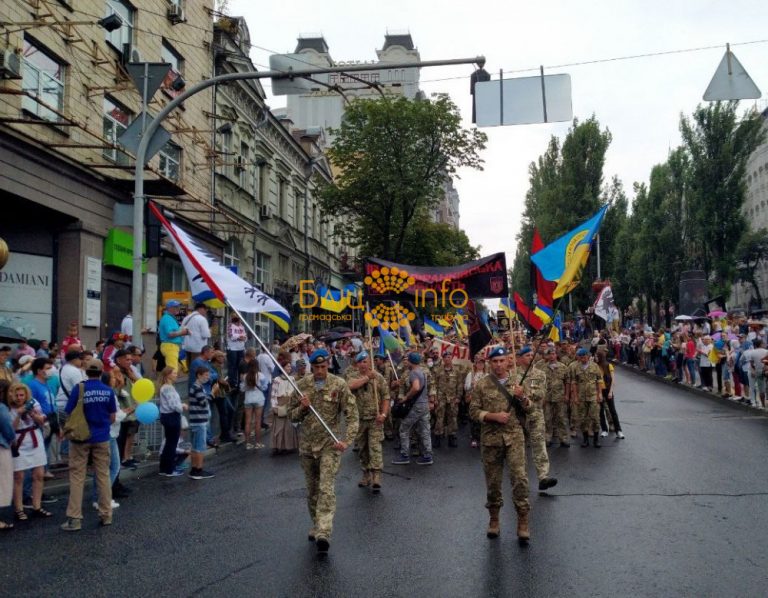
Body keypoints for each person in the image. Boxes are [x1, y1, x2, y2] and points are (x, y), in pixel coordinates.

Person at [288, 349, 358, 555]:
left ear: (328, 365)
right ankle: (316, 523)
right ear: (311, 367)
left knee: (326, 488)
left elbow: (352, 415)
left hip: (330, 444)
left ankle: (324, 532)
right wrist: (302, 407)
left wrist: (347, 440)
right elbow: (292, 417)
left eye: (324, 367)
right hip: (308, 446)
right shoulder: (301, 386)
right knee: (312, 490)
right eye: (317, 367)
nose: (320, 371)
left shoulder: (339, 384)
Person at [469, 347, 535, 543]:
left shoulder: (518, 382)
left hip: (514, 437)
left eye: (502, 360)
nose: (498, 364)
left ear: (508, 361)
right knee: (493, 482)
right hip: (491, 440)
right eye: (495, 361)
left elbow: (531, 409)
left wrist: (522, 397)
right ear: (490, 363)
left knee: (519, 479)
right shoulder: (482, 385)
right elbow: (473, 411)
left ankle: (523, 520)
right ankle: (494, 520)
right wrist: (492, 416)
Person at [60, 359, 116, 531]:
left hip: (80, 438)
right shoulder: (108, 391)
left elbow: (68, 412)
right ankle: (106, 515)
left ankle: (75, 519)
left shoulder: (80, 388)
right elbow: (112, 417)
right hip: (102, 437)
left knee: (77, 477)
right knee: (103, 476)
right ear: (101, 372)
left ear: (85, 371)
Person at [514, 346, 557, 490]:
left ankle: (543, 477)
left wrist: (523, 395)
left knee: (539, 445)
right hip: (518, 417)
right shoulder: (512, 375)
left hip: (535, 414)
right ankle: (520, 478)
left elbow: (540, 394)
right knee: (518, 449)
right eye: (527, 355)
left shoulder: (539, 374)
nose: (531, 357)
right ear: (519, 358)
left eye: (532, 355)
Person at [7, 382, 52, 521]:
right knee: (18, 477)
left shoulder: (33, 403)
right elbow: (10, 429)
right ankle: (18, 509)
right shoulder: (8, 408)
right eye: (17, 395)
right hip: (18, 441)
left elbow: (41, 421)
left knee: (38, 474)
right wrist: (18, 415)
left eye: (22, 395)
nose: (20, 398)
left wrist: (33, 414)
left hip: (34, 439)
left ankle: (37, 506)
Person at [346, 351, 388, 492]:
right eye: (361, 362)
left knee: (375, 447)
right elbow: (350, 386)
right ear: (357, 364)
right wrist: (366, 378)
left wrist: (383, 414)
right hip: (358, 419)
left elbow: (386, 397)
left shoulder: (379, 378)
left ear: (370, 363)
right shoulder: (352, 376)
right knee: (362, 449)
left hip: (374, 419)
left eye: (366, 362)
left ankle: (376, 475)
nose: (363, 364)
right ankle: (366, 474)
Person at [391, 352, 434, 466]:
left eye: (407, 360)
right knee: (425, 431)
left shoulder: (414, 373)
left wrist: (406, 397)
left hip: (416, 406)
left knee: (404, 429)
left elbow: (415, 387)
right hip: (424, 405)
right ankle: (427, 456)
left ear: (410, 361)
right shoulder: (422, 372)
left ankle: (404, 455)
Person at [188, 366, 215, 480]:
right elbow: (203, 403)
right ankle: (198, 470)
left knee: (195, 447)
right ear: (199, 375)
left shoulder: (195, 387)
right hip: (199, 421)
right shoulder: (198, 387)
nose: (207, 377)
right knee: (200, 447)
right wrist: (212, 392)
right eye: (206, 375)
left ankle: (194, 469)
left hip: (195, 420)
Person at [573, 348, 603, 448]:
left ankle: (596, 439)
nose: (583, 359)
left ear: (588, 356)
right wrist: (575, 396)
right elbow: (574, 383)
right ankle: (585, 439)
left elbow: (599, 381)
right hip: (582, 397)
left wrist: (600, 394)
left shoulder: (595, 366)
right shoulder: (576, 367)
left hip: (593, 396)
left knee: (595, 417)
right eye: (581, 357)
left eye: (584, 356)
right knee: (582, 418)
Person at [432, 351, 464, 448]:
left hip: (453, 398)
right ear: (443, 359)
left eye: (449, 357)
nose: (447, 359)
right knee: (439, 417)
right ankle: (437, 436)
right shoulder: (438, 370)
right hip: (441, 397)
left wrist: (458, 397)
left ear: (452, 358)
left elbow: (460, 385)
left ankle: (452, 437)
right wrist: (434, 397)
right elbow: (434, 384)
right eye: (445, 357)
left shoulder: (457, 371)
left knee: (453, 418)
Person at [159, 366, 186, 476]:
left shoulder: (166, 387)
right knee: (172, 444)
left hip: (167, 416)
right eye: (174, 373)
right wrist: (182, 406)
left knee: (169, 443)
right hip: (172, 417)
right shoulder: (168, 388)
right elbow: (174, 405)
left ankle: (164, 468)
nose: (176, 375)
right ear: (168, 375)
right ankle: (169, 469)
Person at [543, 347, 570, 448]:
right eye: (549, 354)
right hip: (547, 397)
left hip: (560, 396)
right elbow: (538, 383)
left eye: (553, 354)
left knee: (561, 418)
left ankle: (563, 438)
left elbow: (567, 382)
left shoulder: (563, 367)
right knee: (548, 418)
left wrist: (567, 395)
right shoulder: (543, 368)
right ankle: (548, 438)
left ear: (556, 355)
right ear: (547, 356)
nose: (551, 356)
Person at [270, 362, 299, 454]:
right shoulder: (277, 380)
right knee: (279, 427)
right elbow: (273, 394)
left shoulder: (292, 379)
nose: (290, 368)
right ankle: (278, 447)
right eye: (288, 366)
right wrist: (274, 406)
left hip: (290, 403)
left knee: (289, 427)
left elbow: (295, 392)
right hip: (280, 403)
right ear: (282, 367)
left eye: (290, 366)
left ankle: (288, 447)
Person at [595, 351, 625, 439]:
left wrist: (610, 392)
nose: (595, 357)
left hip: (607, 390)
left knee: (612, 411)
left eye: (596, 356)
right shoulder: (595, 366)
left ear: (600, 357)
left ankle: (618, 430)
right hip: (599, 390)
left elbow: (612, 380)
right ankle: (604, 429)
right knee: (600, 411)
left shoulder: (608, 365)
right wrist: (598, 393)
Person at [241, 360, 269, 450]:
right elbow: (265, 387)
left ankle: (248, 443)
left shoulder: (245, 376)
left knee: (248, 422)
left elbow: (242, 388)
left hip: (248, 399)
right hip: (259, 398)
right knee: (258, 421)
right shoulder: (261, 376)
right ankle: (258, 442)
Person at [0, 381, 16, 530]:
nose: (12, 394)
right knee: (3, 481)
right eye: (10, 391)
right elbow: (8, 429)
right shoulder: (2, 407)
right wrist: (12, 439)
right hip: (1, 446)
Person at [158, 300, 189, 372]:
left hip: (172, 346)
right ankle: (165, 382)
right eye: (176, 307)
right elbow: (170, 334)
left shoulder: (170, 318)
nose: (178, 308)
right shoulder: (167, 318)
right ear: (170, 308)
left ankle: (166, 381)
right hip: (170, 345)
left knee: (173, 369)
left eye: (178, 307)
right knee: (172, 370)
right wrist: (183, 332)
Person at [465, 355, 487, 448]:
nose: (480, 364)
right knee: (473, 419)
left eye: (482, 363)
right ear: (476, 364)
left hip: (484, 400)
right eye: (478, 363)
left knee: (482, 418)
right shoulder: (471, 374)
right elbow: (466, 387)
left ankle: (482, 437)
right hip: (473, 399)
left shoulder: (487, 375)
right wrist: (471, 384)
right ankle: (474, 438)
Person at [226, 313, 247, 388]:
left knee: (240, 366)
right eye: (235, 317)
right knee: (232, 367)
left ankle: (239, 382)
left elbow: (245, 336)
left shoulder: (242, 327)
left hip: (241, 348)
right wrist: (239, 337)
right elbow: (231, 336)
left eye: (238, 317)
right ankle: (232, 383)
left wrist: (242, 337)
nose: (237, 318)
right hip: (232, 349)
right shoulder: (230, 325)